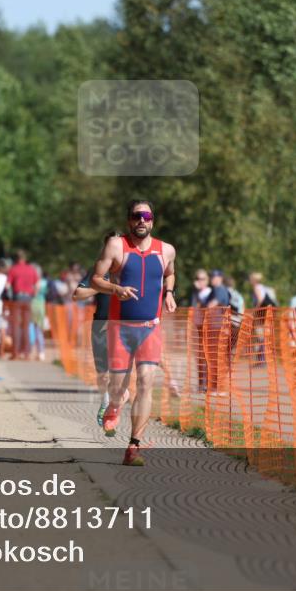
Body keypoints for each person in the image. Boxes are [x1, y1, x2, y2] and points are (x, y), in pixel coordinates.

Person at [91, 200, 177, 467]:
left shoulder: (167, 250)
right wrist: (116, 290)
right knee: (117, 388)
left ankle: (134, 446)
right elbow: (95, 278)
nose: (142, 220)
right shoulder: (117, 246)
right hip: (120, 328)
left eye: (147, 215)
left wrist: (170, 293)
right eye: (136, 216)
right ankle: (114, 405)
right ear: (129, 220)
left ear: (153, 220)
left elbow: (170, 274)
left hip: (150, 327)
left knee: (146, 381)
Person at [73, 230, 126, 426]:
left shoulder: (130, 268)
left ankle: (115, 404)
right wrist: (102, 286)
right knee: (102, 374)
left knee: (118, 372)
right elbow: (77, 294)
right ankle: (107, 401)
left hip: (123, 324)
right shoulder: (97, 270)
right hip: (101, 324)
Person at [6, 249, 38, 360]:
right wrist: (33, 295)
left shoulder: (13, 269)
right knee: (26, 326)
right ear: (25, 258)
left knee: (15, 326)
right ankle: (26, 354)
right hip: (28, 298)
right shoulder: (32, 269)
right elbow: (37, 285)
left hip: (17, 298)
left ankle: (15, 353)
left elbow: (7, 286)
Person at [29, 264, 48, 362]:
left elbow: (34, 292)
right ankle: (41, 352)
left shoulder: (34, 282)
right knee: (38, 330)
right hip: (41, 306)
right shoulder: (44, 282)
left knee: (31, 328)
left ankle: (30, 351)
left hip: (33, 305)